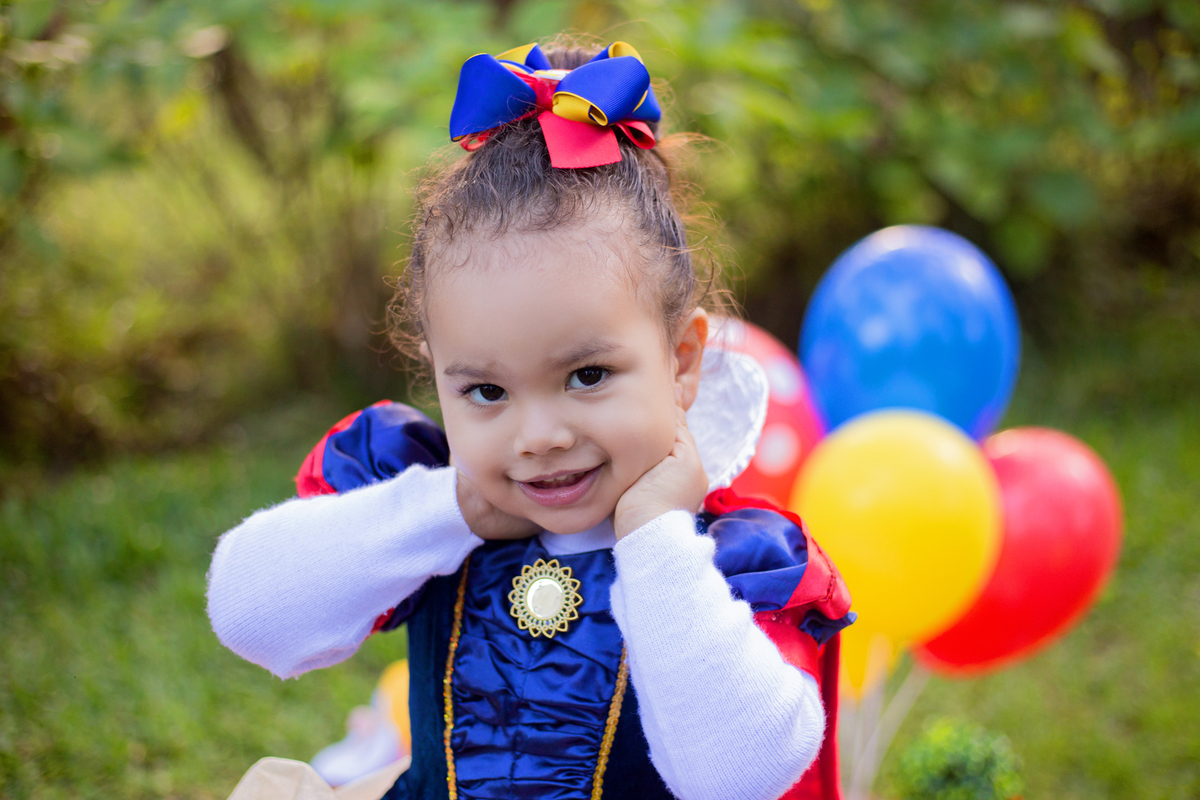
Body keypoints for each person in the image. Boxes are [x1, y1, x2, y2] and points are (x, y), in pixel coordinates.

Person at [207, 37, 853, 800]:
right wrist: (451, 506)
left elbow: (737, 775)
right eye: (486, 392)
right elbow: (249, 614)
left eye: (587, 376)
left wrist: (653, 541)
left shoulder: (731, 564)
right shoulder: (432, 509)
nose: (538, 436)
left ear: (681, 362)